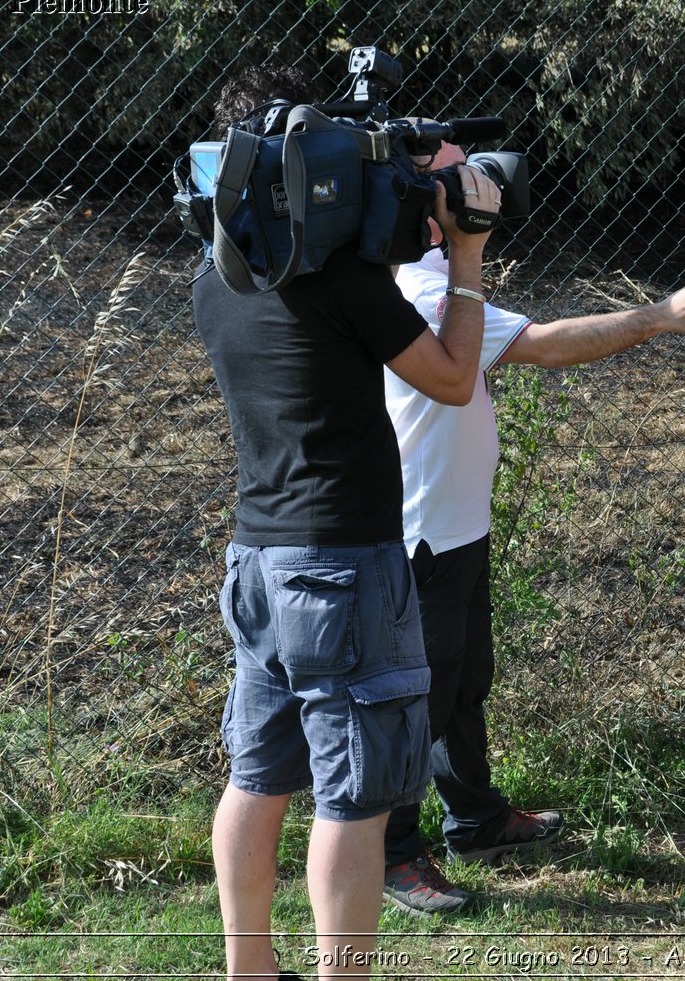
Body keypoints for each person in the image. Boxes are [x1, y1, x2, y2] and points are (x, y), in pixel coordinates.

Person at [192, 64, 503, 979]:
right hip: (346, 567)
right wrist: (470, 253)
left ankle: (247, 968)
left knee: (257, 776)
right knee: (352, 797)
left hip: (257, 560)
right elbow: (451, 379)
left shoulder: (217, 279)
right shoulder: (342, 282)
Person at [378, 142, 685, 915]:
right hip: (422, 534)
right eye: (461, 177)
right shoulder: (424, 284)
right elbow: (548, 343)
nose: (487, 188)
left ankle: (473, 816)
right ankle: (392, 852)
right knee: (420, 702)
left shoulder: (429, 276)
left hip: (456, 527)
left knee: (463, 686)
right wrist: (656, 317)